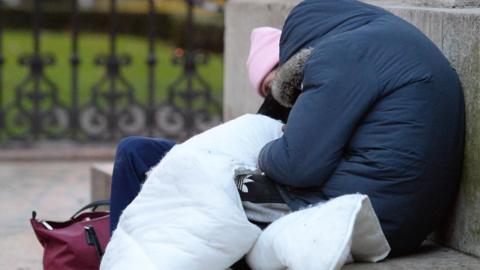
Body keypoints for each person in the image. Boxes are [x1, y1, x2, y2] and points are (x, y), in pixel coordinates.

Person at [257, 0, 465, 256]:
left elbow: (297, 165)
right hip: (409, 224)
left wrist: (262, 153)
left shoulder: (340, 54)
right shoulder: (392, 38)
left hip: (364, 214)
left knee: (225, 187)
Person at [109, 27, 285, 235]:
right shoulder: (271, 113)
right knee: (132, 150)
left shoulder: (311, 90)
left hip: (245, 180)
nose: (273, 90)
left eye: (276, 74)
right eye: (266, 90)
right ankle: (119, 251)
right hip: (225, 167)